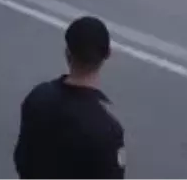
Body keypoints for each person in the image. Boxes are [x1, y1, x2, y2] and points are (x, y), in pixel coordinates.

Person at [14, 16, 125, 180]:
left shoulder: (38, 97)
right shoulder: (108, 130)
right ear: (107, 54)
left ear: (68, 53)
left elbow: (21, 158)